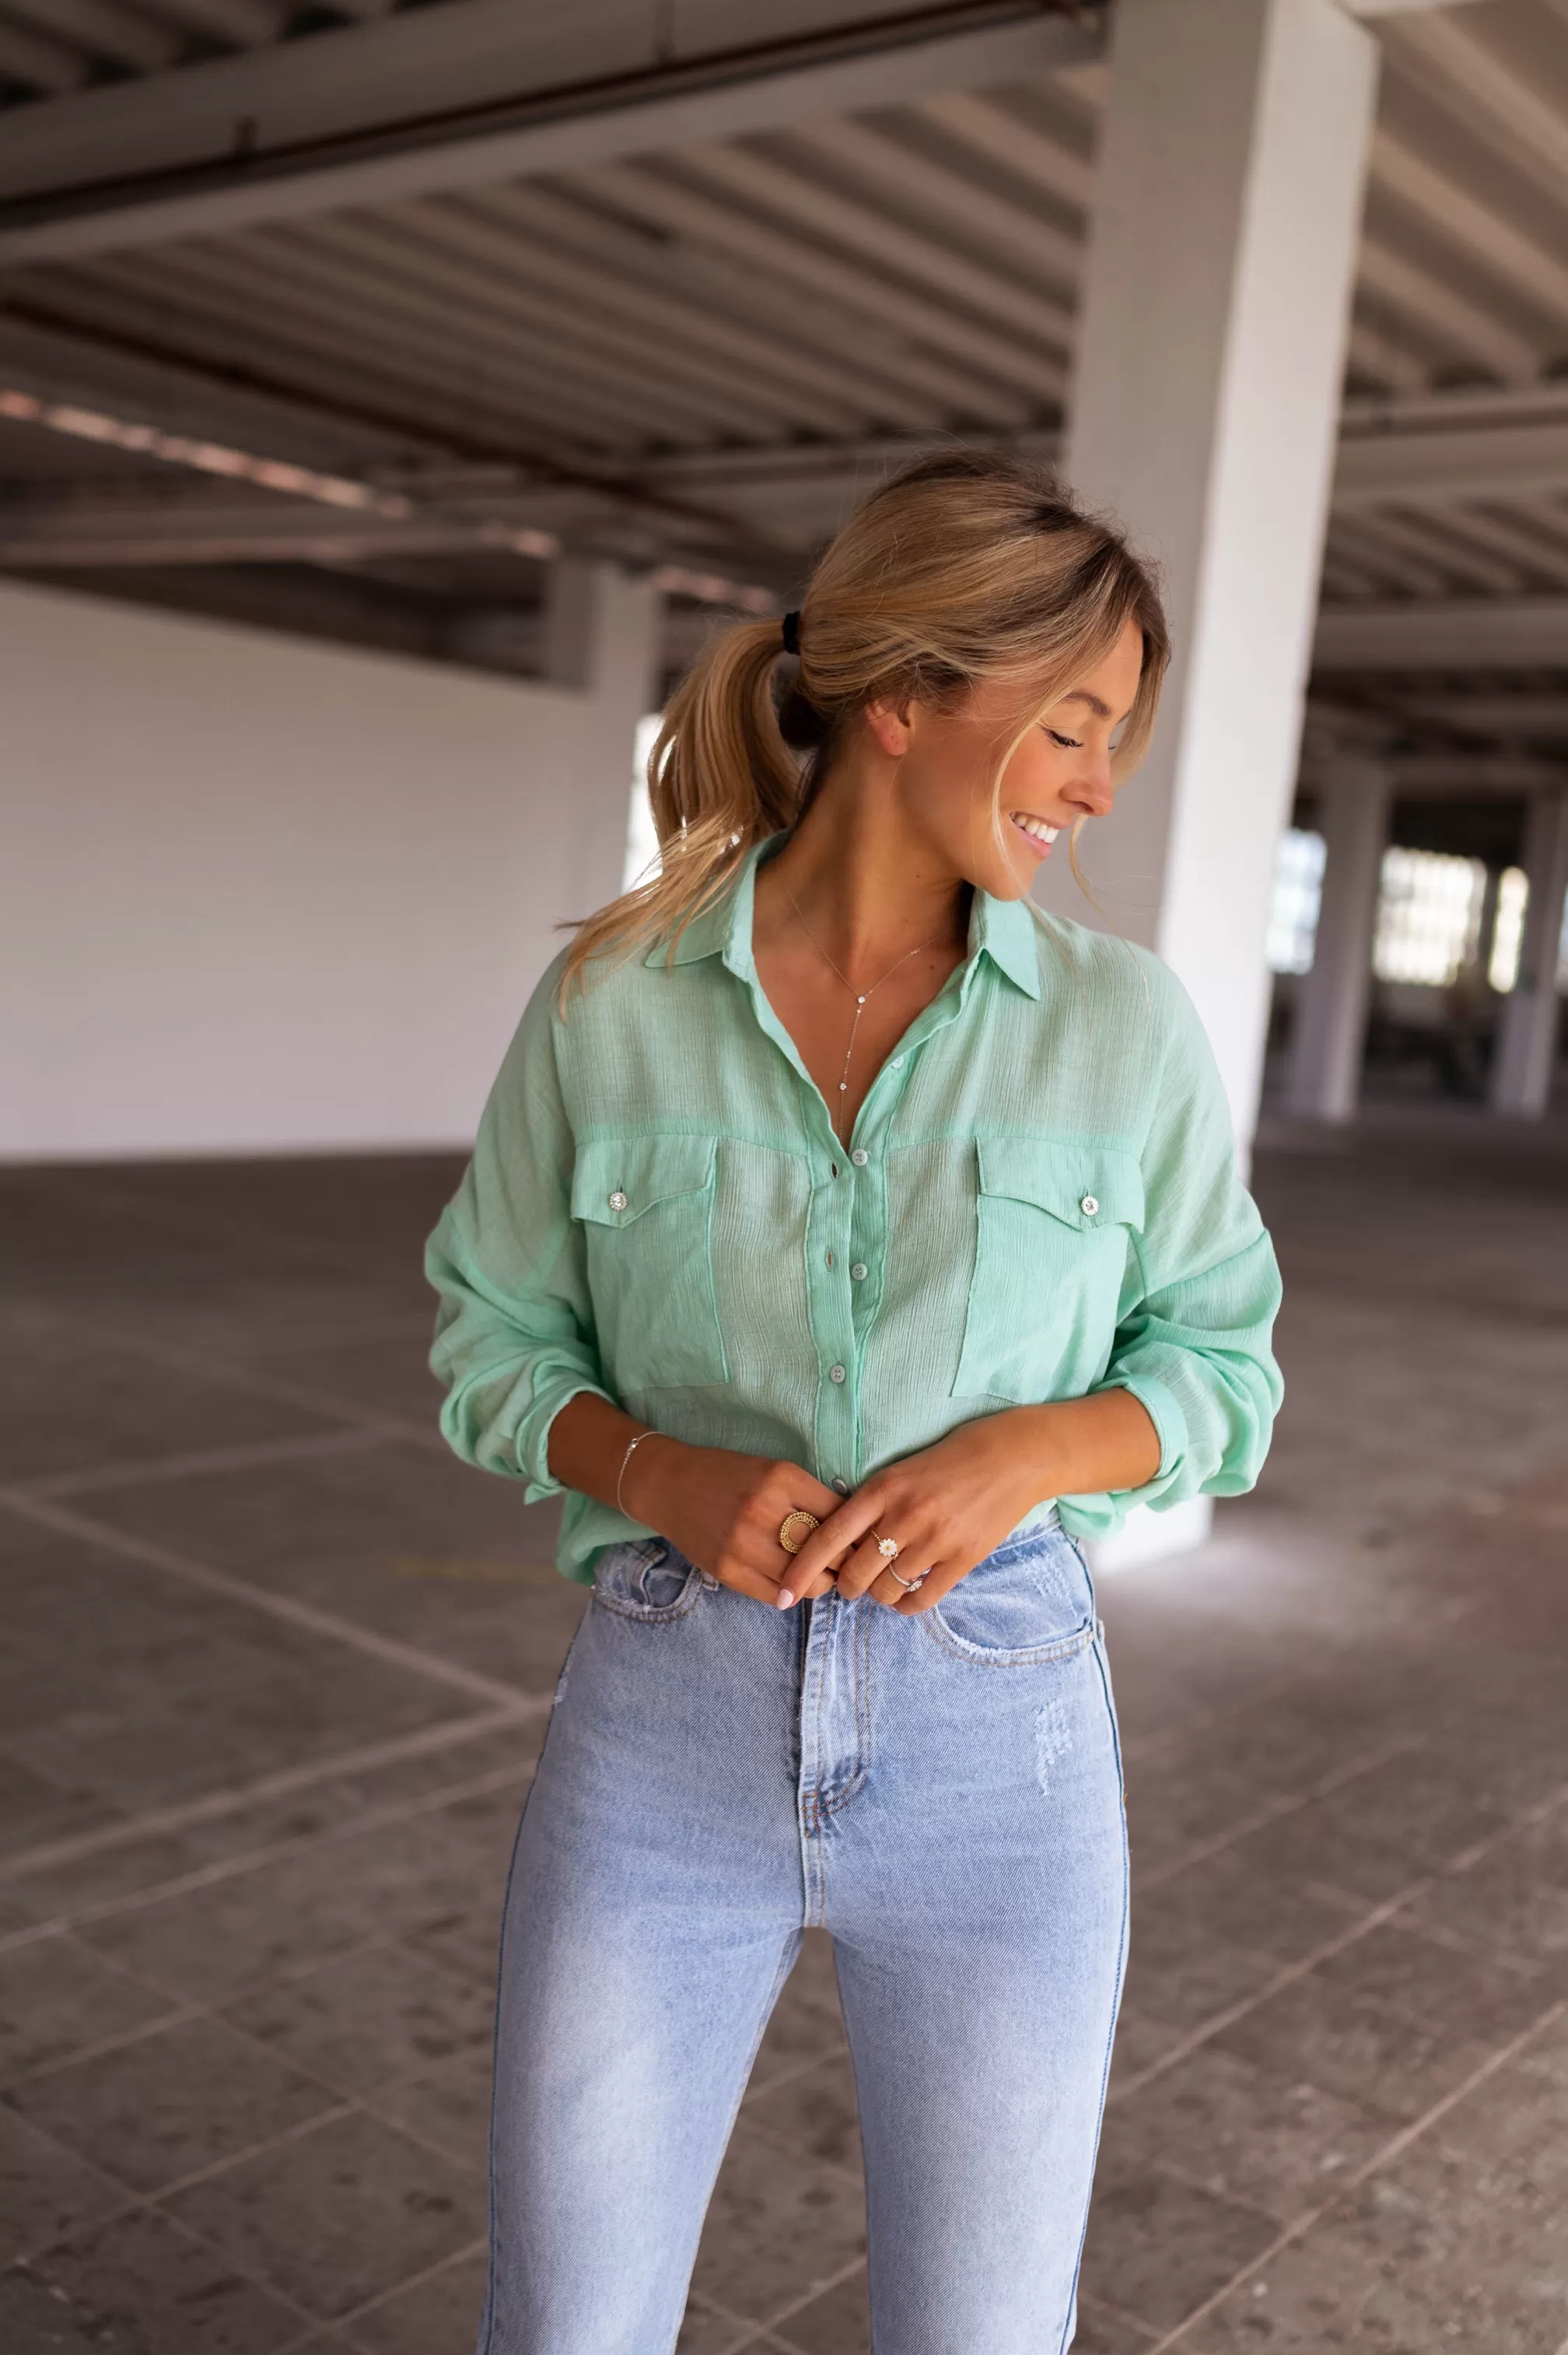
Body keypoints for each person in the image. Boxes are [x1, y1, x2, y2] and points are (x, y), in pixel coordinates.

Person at [426, 450, 1283, 2354]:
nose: (1098, 784)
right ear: (903, 699)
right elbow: (490, 1341)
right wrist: (652, 1469)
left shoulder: (1124, 1026)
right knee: (566, 2322)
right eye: (1071, 725)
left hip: (1007, 1746)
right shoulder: (612, 1000)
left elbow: (1225, 1365)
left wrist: (1038, 1448)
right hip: (663, 1734)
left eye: (1116, 736)